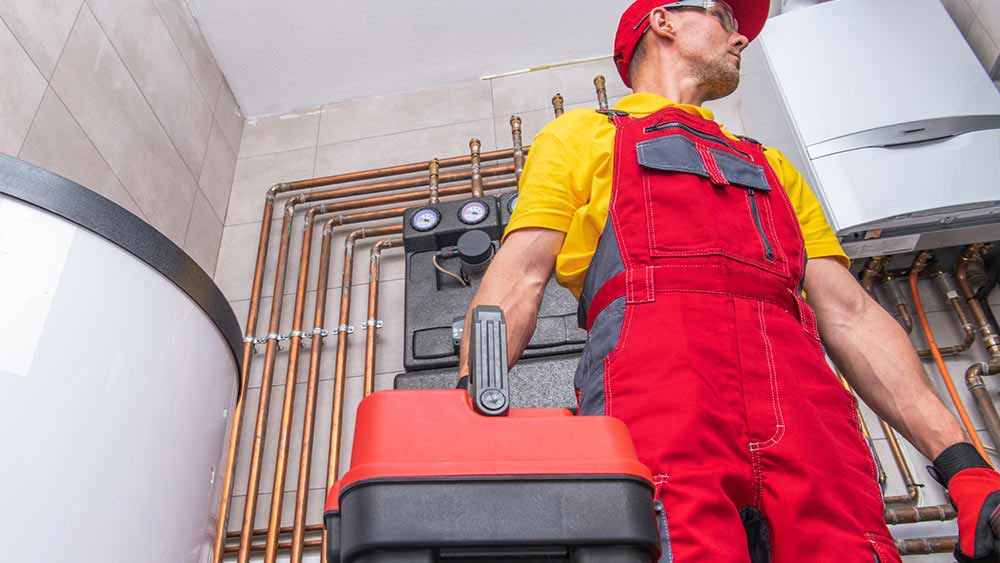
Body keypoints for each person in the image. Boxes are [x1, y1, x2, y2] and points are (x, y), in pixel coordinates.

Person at [457, 1, 1000, 561]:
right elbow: (520, 275)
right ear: (664, 21)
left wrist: (965, 467)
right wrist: (465, 412)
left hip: (808, 419)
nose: (741, 39)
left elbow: (851, 315)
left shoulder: (772, 165)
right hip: (659, 401)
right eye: (725, 17)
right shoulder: (580, 136)